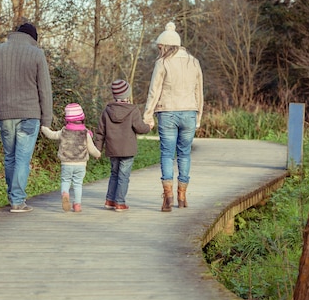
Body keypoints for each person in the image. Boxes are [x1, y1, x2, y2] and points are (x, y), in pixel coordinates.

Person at [0, 23, 53, 213]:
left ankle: (13, 197)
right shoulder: (37, 54)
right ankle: (17, 201)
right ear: (33, 38)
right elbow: (45, 90)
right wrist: (47, 120)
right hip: (30, 115)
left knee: (10, 157)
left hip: (5, 115)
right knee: (22, 158)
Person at [143, 22, 204, 212]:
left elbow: (154, 91)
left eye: (160, 47)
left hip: (167, 112)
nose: (159, 50)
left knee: (167, 154)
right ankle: (182, 196)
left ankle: (168, 195)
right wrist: (198, 116)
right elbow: (199, 92)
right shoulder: (194, 62)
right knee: (184, 154)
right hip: (189, 112)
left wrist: (148, 116)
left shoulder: (162, 63)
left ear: (166, 46)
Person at [94, 79, 151, 211]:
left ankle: (109, 200)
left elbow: (100, 132)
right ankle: (120, 202)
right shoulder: (133, 110)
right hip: (127, 150)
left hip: (112, 149)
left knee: (114, 174)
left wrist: (97, 149)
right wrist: (149, 126)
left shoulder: (107, 111)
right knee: (123, 176)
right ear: (127, 95)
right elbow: (140, 127)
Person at [40, 103, 101, 213]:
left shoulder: (64, 131)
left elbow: (52, 135)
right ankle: (77, 205)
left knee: (65, 180)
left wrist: (44, 128)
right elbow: (92, 149)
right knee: (78, 184)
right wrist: (98, 154)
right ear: (82, 118)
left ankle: (65, 194)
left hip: (66, 163)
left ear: (67, 119)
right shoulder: (85, 133)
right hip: (81, 164)